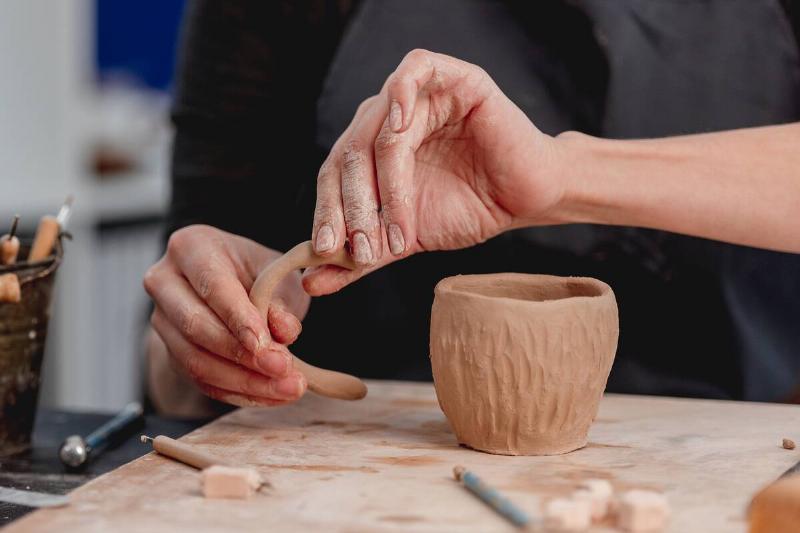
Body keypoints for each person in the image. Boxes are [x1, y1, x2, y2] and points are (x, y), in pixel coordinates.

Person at [144, 1, 800, 416]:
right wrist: (211, 341)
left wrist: (560, 174)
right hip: (371, 473)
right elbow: (166, 375)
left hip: (737, 459)